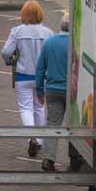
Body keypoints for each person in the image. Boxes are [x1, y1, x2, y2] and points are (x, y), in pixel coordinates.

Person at [0, 1, 53, 154]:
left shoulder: (17, 31)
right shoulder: (48, 33)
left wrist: (9, 61)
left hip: (23, 75)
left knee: (25, 107)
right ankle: (40, 140)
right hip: (42, 76)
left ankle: (31, 137)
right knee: (40, 107)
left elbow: (5, 51)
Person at [35, 16, 70, 169]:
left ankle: (48, 159)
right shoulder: (76, 44)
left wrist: (39, 90)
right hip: (72, 92)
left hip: (53, 89)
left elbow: (40, 68)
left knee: (52, 125)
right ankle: (75, 158)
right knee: (74, 127)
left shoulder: (50, 42)